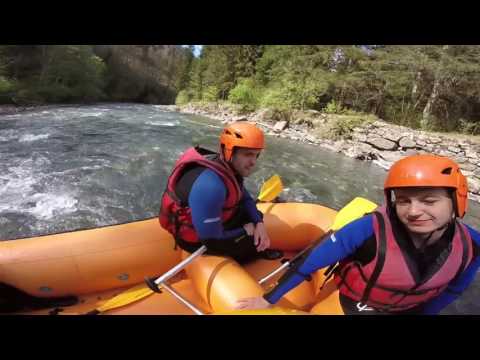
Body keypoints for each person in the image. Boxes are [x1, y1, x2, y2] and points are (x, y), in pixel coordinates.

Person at [235, 155, 480, 314]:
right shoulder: (367, 229)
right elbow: (310, 262)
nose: (414, 211)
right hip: (350, 306)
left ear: (456, 201)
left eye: (429, 201)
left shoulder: (472, 246)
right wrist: (269, 299)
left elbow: (453, 290)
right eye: (404, 201)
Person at [159, 122, 283, 264]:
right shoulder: (211, 186)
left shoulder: (225, 166)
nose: (253, 162)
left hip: (209, 223)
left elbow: (244, 197)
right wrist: (245, 231)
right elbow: (211, 239)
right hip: (197, 239)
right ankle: (248, 258)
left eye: (256, 155)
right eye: (247, 155)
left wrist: (258, 221)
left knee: (249, 215)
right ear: (229, 151)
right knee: (249, 237)